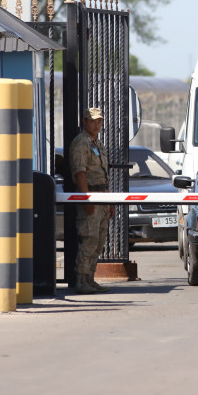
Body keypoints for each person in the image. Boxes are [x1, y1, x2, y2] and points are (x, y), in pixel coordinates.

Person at [69, 107, 114, 294]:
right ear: (85, 122)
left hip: (102, 197)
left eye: (100, 121)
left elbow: (103, 175)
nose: (97, 124)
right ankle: (81, 280)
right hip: (91, 197)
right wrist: (86, 199)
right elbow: (80, 172)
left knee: (99, 240)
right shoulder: (81, 143)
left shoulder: (98, 143)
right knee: (89, 239)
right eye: (93, 121)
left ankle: (90, 278)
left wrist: (110, 202)